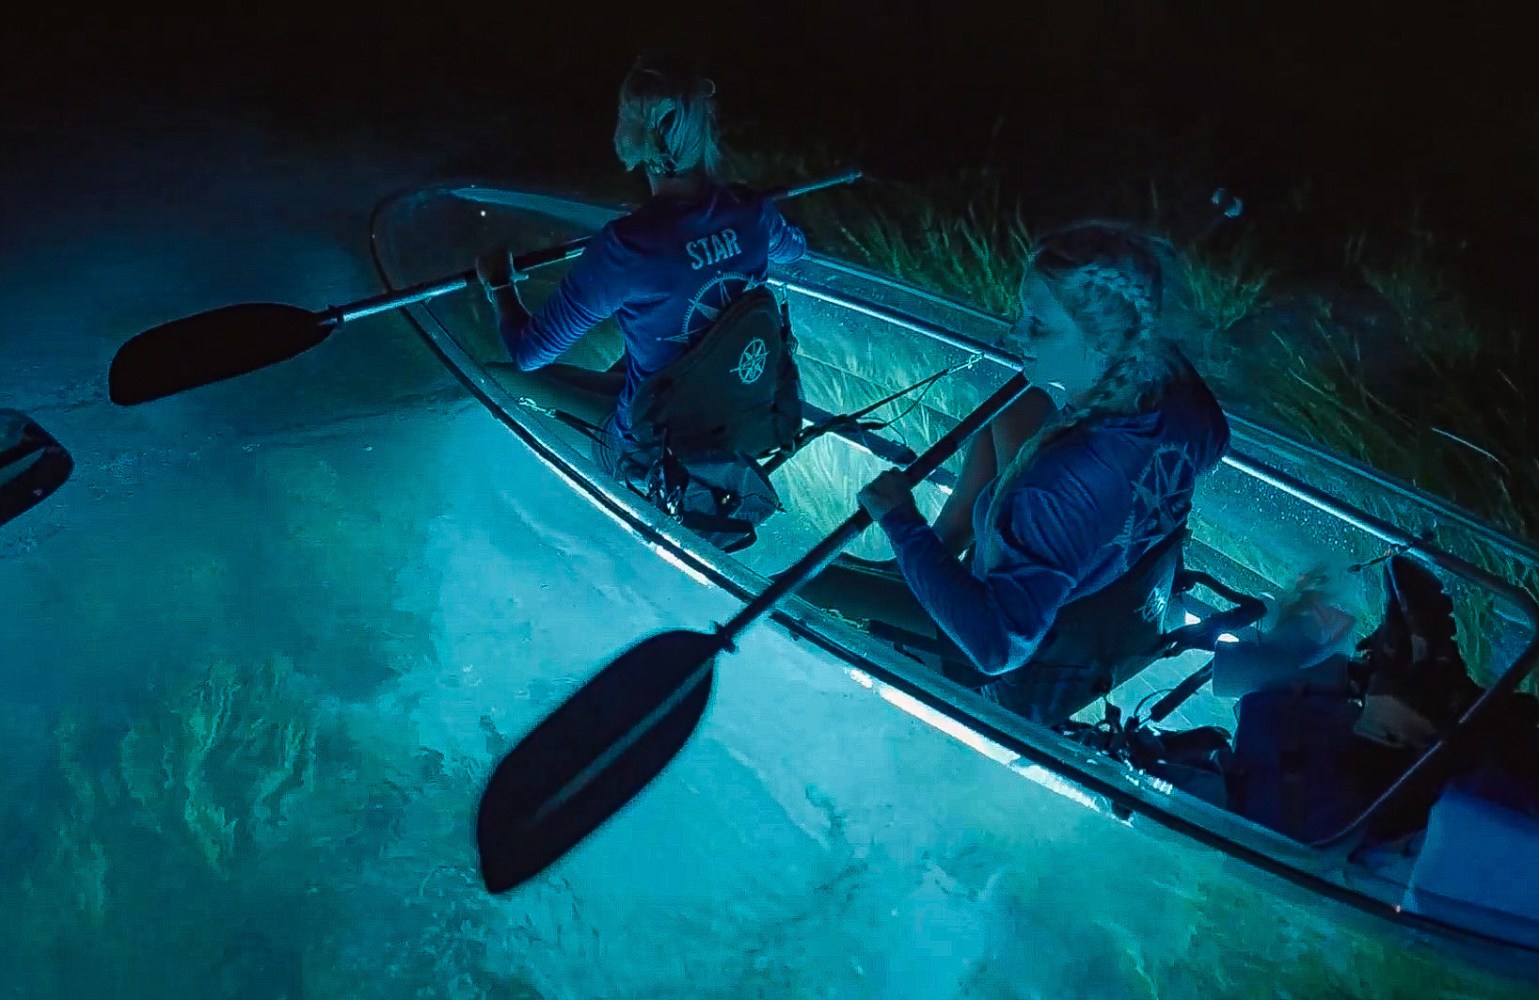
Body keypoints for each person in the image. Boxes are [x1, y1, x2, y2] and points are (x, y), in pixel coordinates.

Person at [799, 221, 1231, 722]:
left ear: (1103, 339)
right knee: (1010, 413)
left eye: (1039, 323)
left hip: (1032, 664)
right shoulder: (1164, 377)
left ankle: (922, 566)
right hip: (1125, 607)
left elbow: (998, 648)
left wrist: (899, 519)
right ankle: (934, 555)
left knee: (815, 583)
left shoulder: (1058, 484)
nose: (1015, 332)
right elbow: (1213, 445)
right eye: (1023, 314)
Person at [475, 53, 809, 475]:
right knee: (628, 364)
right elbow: (795, 250)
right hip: (737, 412)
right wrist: (748, 210)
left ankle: (610, 471)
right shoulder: (753, 211)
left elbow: (530, 353)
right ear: (706, 128)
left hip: (658, 444)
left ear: (632, 135)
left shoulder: (626, 248)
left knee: (497, 373)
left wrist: (500, 287)